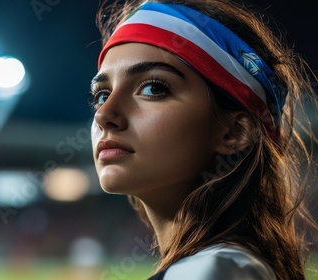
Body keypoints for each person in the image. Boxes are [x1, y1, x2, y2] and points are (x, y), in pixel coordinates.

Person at [89, 0, 318, 279]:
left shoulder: (213, 270)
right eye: (102, 95)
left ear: (234, 132)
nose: (105, 114)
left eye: (153, 88)